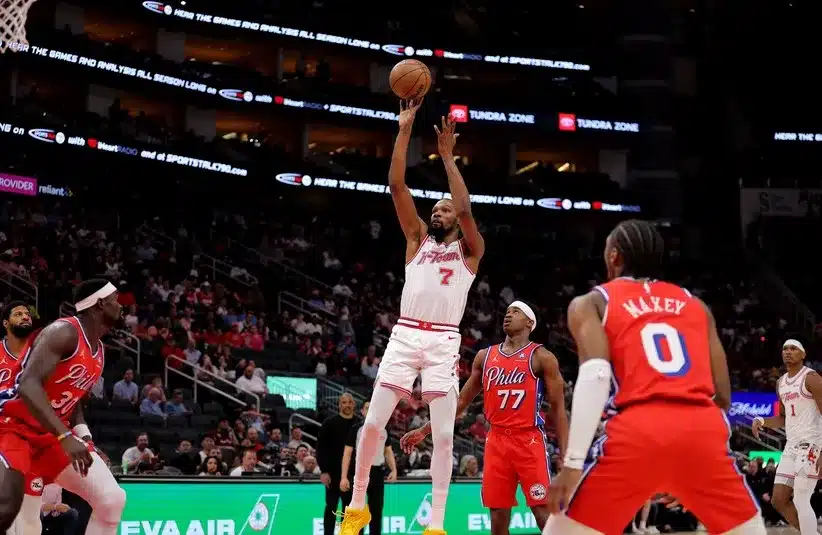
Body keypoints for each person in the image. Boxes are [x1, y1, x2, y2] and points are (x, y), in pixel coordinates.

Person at [544, 220, 765, 535]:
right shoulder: (696, 306)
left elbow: (596, 375)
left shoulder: (592, 303)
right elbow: (723, 395)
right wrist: (684, 469)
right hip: (702, 433)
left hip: (637, 433)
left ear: (614, 256)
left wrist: (572, 464)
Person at [338, 105, 484, 535]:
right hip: (404, 336)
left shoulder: (470, 250)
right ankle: (358, 505)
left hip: (443, 342)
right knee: (371, 424)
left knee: (444, 436)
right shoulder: (417, 239)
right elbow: (396, 185)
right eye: (434, 209)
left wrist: (449, 159)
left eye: (443, 210)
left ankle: (436, 524)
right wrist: (403, 131)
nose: (437, 213)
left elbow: (465, 207)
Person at [402, 302, 568, 534]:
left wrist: (568, 456)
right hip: (496, 440)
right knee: (497, 519)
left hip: (529, 440)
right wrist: (424, 430)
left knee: (543, 513)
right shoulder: (485, 356)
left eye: (516, 312)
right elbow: (460, 402)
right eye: (507, 311)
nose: (508, 315)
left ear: (529, 322)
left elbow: (558, 409)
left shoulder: (542, 357)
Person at [0, 279, 127, 535]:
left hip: (50, 436)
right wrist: (65, 436)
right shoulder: (63, 331)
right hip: (15, 430)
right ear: (99, 305)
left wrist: (85, 438)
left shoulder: (99, 351)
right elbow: (28, 385)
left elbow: (73, 401)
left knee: (112, 501)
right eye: (115, 300)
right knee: (20, 520)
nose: (121, 305)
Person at [752, 338, 822, 534]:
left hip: (812, 444)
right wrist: (762, 421)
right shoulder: (781, 382)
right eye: (785, 348)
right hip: (791, 446)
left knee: (801, 498)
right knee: (779, 500)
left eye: (793, 348)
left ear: (803, 354)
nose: (788, 352)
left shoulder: (812, 378)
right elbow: (783, 418)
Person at [340, 401, 399, 535]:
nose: (371, 410)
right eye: (367, 408)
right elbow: (347, 453)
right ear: (362, 411)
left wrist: (394, 469)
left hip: (377, 472)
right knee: (357, 510)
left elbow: (388, 451)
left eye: (373, 407)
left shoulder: (384, 428)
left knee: (376, 510)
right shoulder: (356, 429)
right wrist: (343, 477)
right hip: (358, 472)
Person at [316, 393, 358, 535]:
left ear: (354, 405)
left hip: (352, 474)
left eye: (350, 402)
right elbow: (321, 448)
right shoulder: (329, 423)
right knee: (331, 508)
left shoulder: (359, 424)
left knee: (349, 509)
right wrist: (324, 471)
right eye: (344, 402)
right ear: (339, 405)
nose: (347, 405)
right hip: (332, 473)